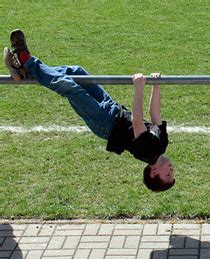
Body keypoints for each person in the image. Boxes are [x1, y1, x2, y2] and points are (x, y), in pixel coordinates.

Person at [3, 29, 175, 191]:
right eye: (172, 173)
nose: (171, 170)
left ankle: (26, 60)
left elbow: (137, 122)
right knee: (77, 72)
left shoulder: (149, 153)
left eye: (167, 174)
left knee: (70, 88)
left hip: (104, 123)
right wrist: (156, 86)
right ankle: (25, 70)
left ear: (154, 173)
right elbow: (155, 115)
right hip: (113, 109)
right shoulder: (162, 145)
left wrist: (139, 88)